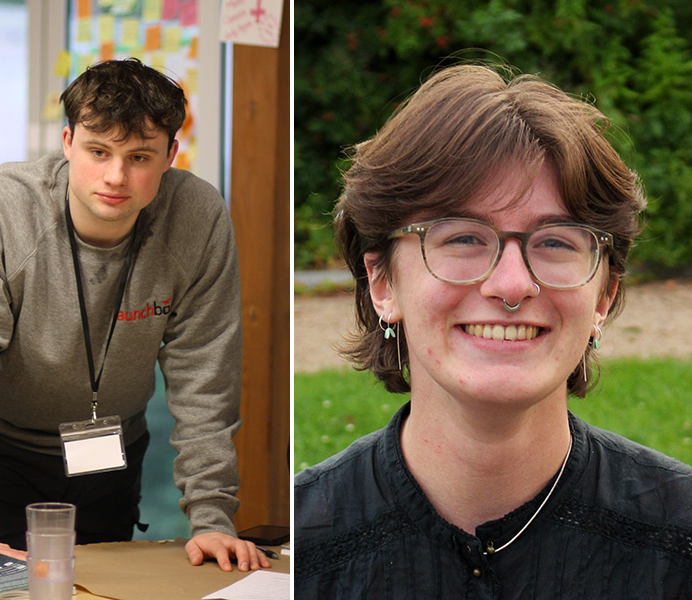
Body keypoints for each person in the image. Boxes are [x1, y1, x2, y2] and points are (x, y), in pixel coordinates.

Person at [294, 64, 692, 597]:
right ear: (382, 281)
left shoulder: (679, 540)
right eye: (461, 238)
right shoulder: (297, 557)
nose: (511, 285)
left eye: (556, 242)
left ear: (604, 295)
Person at [0, 58, 270, 572]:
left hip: (112, 454)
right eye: (97, 151)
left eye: (140, 156)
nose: (116, 176)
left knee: (104, 585)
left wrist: (212, 517)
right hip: (2, 452)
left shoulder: (196, 216)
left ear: (171, 155)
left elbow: (205, 379)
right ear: (66, 143)